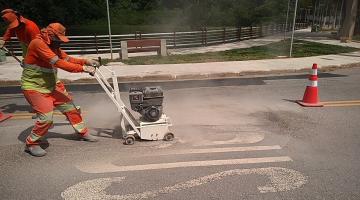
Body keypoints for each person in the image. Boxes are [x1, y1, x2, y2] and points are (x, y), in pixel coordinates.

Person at [22, 22, 99, 157]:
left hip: (50, 86)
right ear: (50, 36)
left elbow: (67, 58)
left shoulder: (53, 45)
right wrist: (83, 69)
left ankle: (82, 132)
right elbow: (60, 63)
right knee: (46, 118)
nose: (60, 43)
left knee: (71, 108)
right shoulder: (38, 44)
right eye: (59, 39)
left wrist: (86, 61)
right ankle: (31, 143)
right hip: (34, 88)